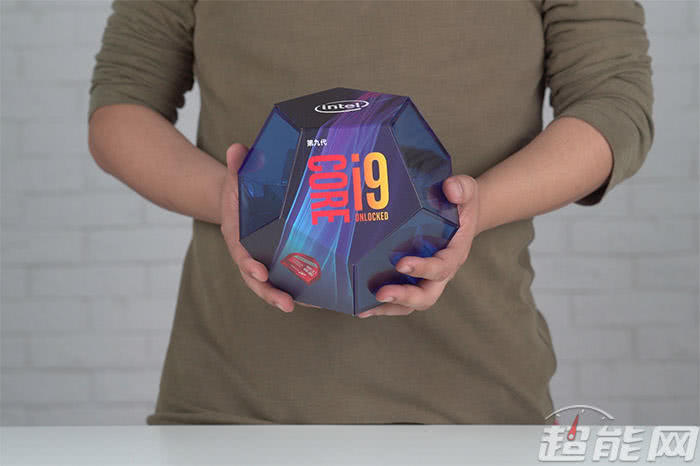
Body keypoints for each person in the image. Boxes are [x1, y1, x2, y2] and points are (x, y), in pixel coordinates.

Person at [88, 0, 653, 424]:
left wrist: (470, 210)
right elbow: (121, 107)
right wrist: (231, 199)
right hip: (229, 405)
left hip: (474, 405)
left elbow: (613, 102)